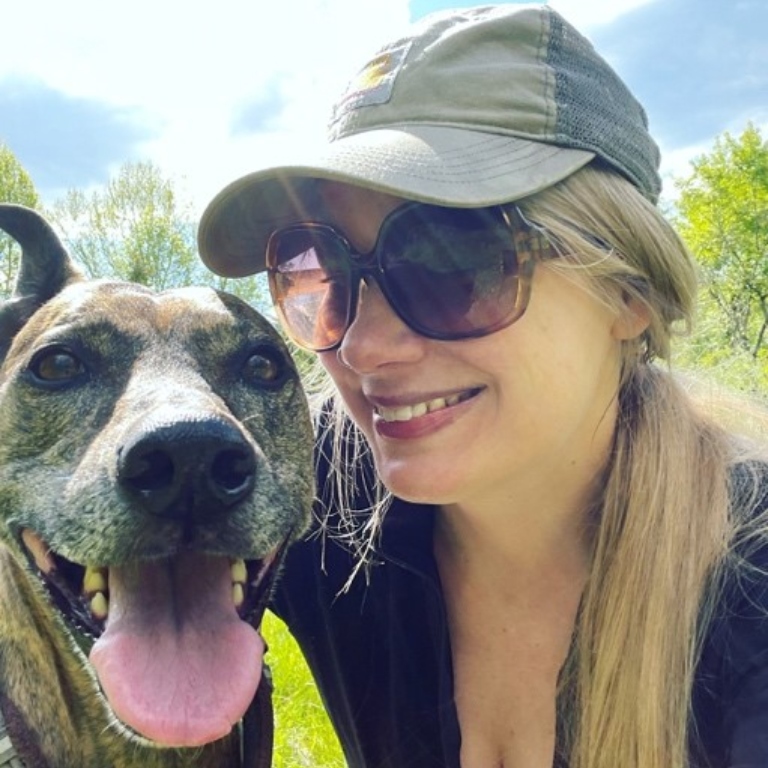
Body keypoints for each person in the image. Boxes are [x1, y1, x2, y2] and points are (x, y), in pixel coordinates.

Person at [197, 5, 768, 767]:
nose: (364, 345)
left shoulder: (748, 591)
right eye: (321, 272)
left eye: (448, 261)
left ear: (629, 290)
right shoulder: (326, 489)